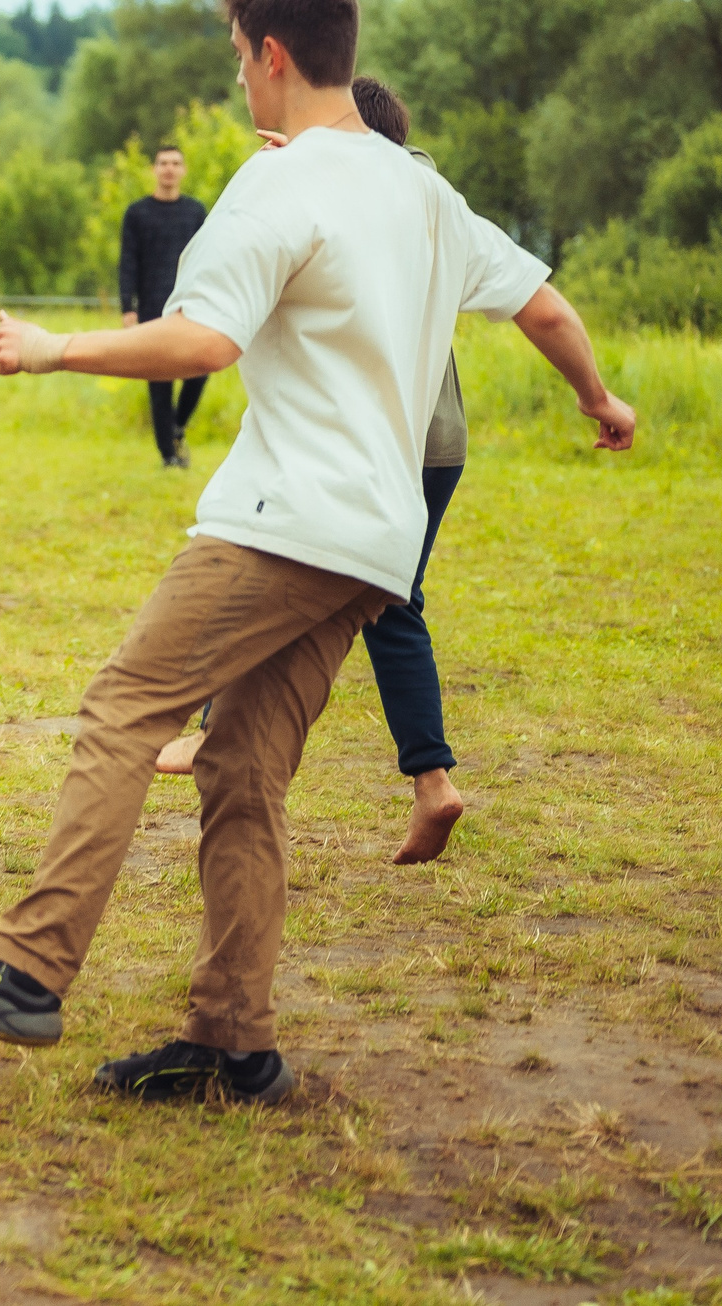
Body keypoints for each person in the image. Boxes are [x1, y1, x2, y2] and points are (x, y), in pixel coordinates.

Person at [0, 0, 635, 1105]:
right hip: (378, 538)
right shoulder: (422, 189)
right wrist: (596, 399)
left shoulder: (276, 183)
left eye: (237, 57)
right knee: (240, 766)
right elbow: (545, 305)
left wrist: (51, 348)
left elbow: (201, 339)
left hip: (285, 516)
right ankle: (234, 1042)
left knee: (128, 702)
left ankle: (26, 967)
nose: (237, 81)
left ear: (272, 55)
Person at [157, 77, 471, 864]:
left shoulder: (384, 196)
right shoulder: (425, 196)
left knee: (272, 560)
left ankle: (207, 732)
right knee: (391, 602)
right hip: (438, 442)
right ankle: (431, 781)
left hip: (374, 439)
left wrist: (298, 167)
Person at [119, 144, 208, 468]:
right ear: (154, 169)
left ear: (183, 170)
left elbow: (207, 258)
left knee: (200, 370)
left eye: (175, 163)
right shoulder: (137, 213)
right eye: (163, 163)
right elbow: (127, 263)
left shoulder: (196, 212)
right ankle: (169, 456)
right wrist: (128, 308)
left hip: (191, 306)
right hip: (151, 307)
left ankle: (178, 425)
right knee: (159, 384)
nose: (169, 168)